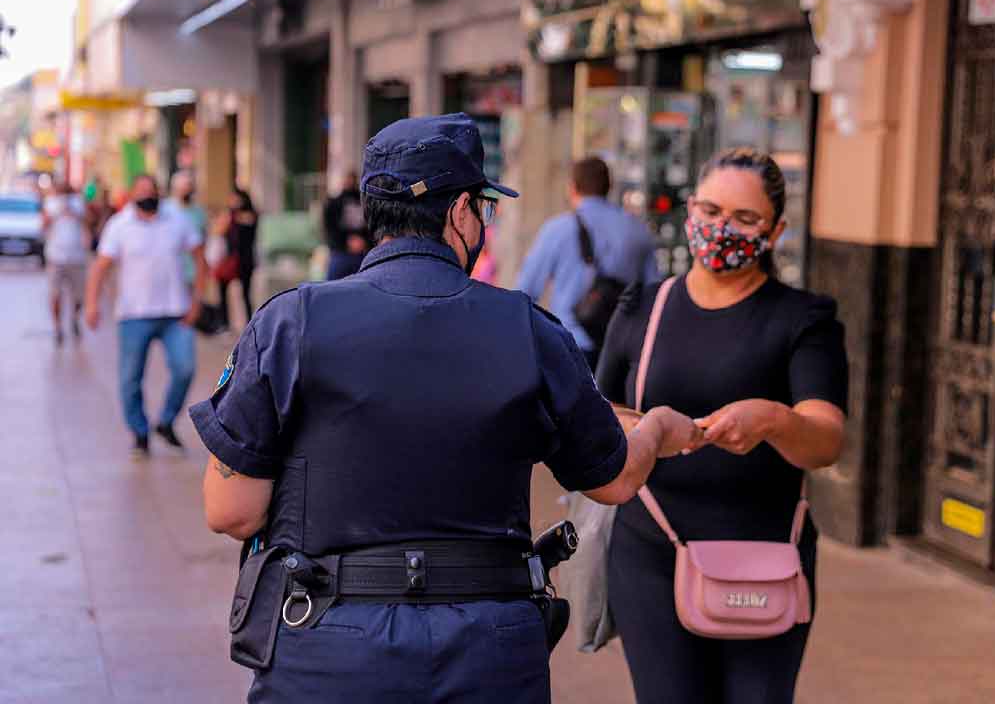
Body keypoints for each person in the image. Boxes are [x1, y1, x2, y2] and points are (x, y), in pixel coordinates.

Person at [188, 113, 702, 704]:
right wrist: (659, 427)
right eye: (482, 207)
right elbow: (612, 480)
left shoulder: (289, 323)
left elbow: (231, 511)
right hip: (489, 651)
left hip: (328, 648)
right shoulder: (529, 330)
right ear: (461, 212)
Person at [595, 148, 849, 704]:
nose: (720, 229)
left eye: (744, 219)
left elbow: (825, 439)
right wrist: (652, 428)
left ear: (776, 230)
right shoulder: (644, 306)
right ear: (689, 211)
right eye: (709, 211)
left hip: (767, 559)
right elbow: (596, 412)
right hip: (650, 551)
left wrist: (776, 420)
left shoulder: (804, 319)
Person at [85, 174, 206, 459]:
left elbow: (201, 259)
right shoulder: (119, 225)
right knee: (130, 378)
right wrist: (92, 304)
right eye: (141, 191)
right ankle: (139, 433)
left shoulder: (177, 220)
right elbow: (101, 267)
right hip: (133, 315)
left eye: (151, 191)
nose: (146, 196)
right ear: (130, 194)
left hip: (176, 313)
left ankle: (165, 421)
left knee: (185, 368)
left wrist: (197, 302)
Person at [516, 157, 660, 370]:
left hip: (568, 347)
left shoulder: (557, 230)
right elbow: (653, 294)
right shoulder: (638, 231)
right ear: (609, 187)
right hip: (621, 350)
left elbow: (524, 293)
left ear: (572, 188)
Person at [41, 179, 91, 345]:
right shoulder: (50, 203)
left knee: (78, 295)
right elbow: (43, 224)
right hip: (56, 256)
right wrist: (55, 214)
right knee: (55, 294)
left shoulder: (79, 203)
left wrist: (77, 214)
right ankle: (57, 327)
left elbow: (89, 222)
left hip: (77, 257)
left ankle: (74, 319)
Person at [216, 187, 259, 327]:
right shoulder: (229, 216)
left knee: (246, 294)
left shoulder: (250, 216)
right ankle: (224, 323)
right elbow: (218, 231)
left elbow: (249, 224)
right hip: (229, 259)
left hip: (244, 260)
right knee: (222, 291)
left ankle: (249, 323)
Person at [164, 169, 208, 288]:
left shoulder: (199, 212)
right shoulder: (164, 210)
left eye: (190, 186)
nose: (188, 190)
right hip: (170, 273)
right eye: (184, 187)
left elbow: (203, 239)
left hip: (192, 273)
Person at [322, 169, 370, 280]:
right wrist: (345, 242)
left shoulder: (365, 203)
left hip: (363, 252)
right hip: (341, 251)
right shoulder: (334, 203)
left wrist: (364, 242)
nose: (349, 182)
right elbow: (329, 227)